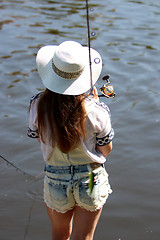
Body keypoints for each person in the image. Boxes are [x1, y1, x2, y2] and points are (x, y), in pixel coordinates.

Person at [27, 40, 114, 240]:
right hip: (91, 180)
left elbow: (38, 137)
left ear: (51, 71)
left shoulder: (37, 105)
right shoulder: (97, 111)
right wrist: (95, 105)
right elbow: (106, 150)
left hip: (55, 181)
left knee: (59, 235)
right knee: (83, 237)